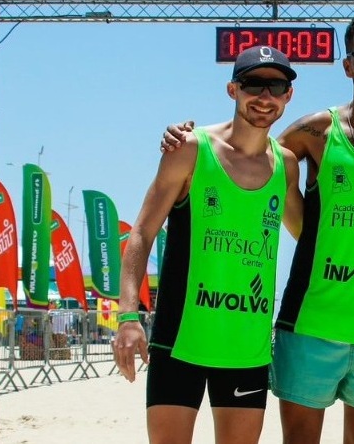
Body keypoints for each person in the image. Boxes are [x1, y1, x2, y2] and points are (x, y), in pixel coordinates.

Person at [163, 12, 354, 444]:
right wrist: (188, 138)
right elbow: (244, 147)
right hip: (309, 326)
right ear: (347, 65)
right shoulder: (316, 132)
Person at [113, 45, 303, 444]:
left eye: (276, 86)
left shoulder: (284, 164)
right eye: (253, 84)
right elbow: (142, 232)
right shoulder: (190, 149)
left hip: (246, 347)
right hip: (180, 338)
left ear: (288, 96)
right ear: (233, 89)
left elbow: (310, 235)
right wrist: (128, 318)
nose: (264, 97)